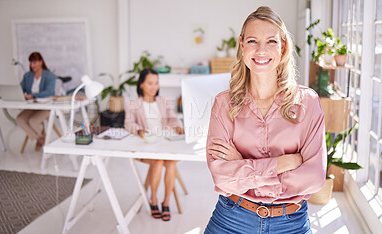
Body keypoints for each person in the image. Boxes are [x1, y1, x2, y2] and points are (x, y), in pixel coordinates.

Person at [204, 6, 326, 234]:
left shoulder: (307, 102)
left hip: (291, 223)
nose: (261, 50)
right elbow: (221, 175)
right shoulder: (224, 104)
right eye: (252, 41)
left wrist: (243, 167)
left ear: (283, 46)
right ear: (241, 46)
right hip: (232, 219)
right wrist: (281, 164)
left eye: (271, 41)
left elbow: (314, 177)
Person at [124, 68, 184, 222]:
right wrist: (139, 130)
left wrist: (177, 125)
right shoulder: (133, 104)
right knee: (157, 162)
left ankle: (166, 202)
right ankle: (153, 200)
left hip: (164, 144)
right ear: (141, 84)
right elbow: (128, 123)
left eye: (156, 83)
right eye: (150, 83)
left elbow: (173, 118)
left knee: (170, 163)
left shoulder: (163, 101)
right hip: (145, 146)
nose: (154, 87)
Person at [16, 52, 56, 151]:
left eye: (35, 62)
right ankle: (39, 138)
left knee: (33, 121)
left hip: (45, 107)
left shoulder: (50, 76)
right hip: (32, 106)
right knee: (20, 119)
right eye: (31, 63)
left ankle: (38, 138)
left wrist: (33, 95)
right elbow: (21, 88)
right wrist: (18, 94)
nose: (32, 65)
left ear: (41, 62)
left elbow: (49, 92)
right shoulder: (28, 76)